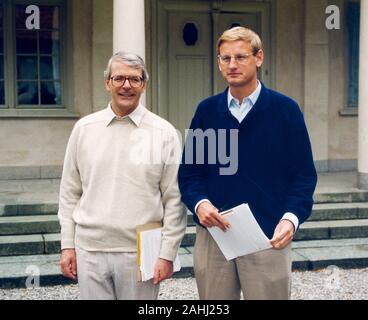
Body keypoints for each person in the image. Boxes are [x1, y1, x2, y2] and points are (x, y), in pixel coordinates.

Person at [178, 27, 317, 300]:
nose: (232, 65)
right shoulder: (207, 111)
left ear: (259, 57)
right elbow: (190, 173)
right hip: (215, 237)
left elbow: (303, 176)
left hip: (268, 234)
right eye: (225, 58)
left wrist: (290, 219)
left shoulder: (285, 110)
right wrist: (200, 203)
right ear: (218, 62)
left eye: (241, 57)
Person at [58, 52, 186, 300]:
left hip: (141, 251)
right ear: (107, 83)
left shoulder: (164, 133)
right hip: (90, 249)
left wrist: (167, 253)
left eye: (134, 79)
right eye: (119, 78)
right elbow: (69, 193)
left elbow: (174, 200)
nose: (126, 85)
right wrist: (67, 245)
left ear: (144, 84)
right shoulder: (84, 129)